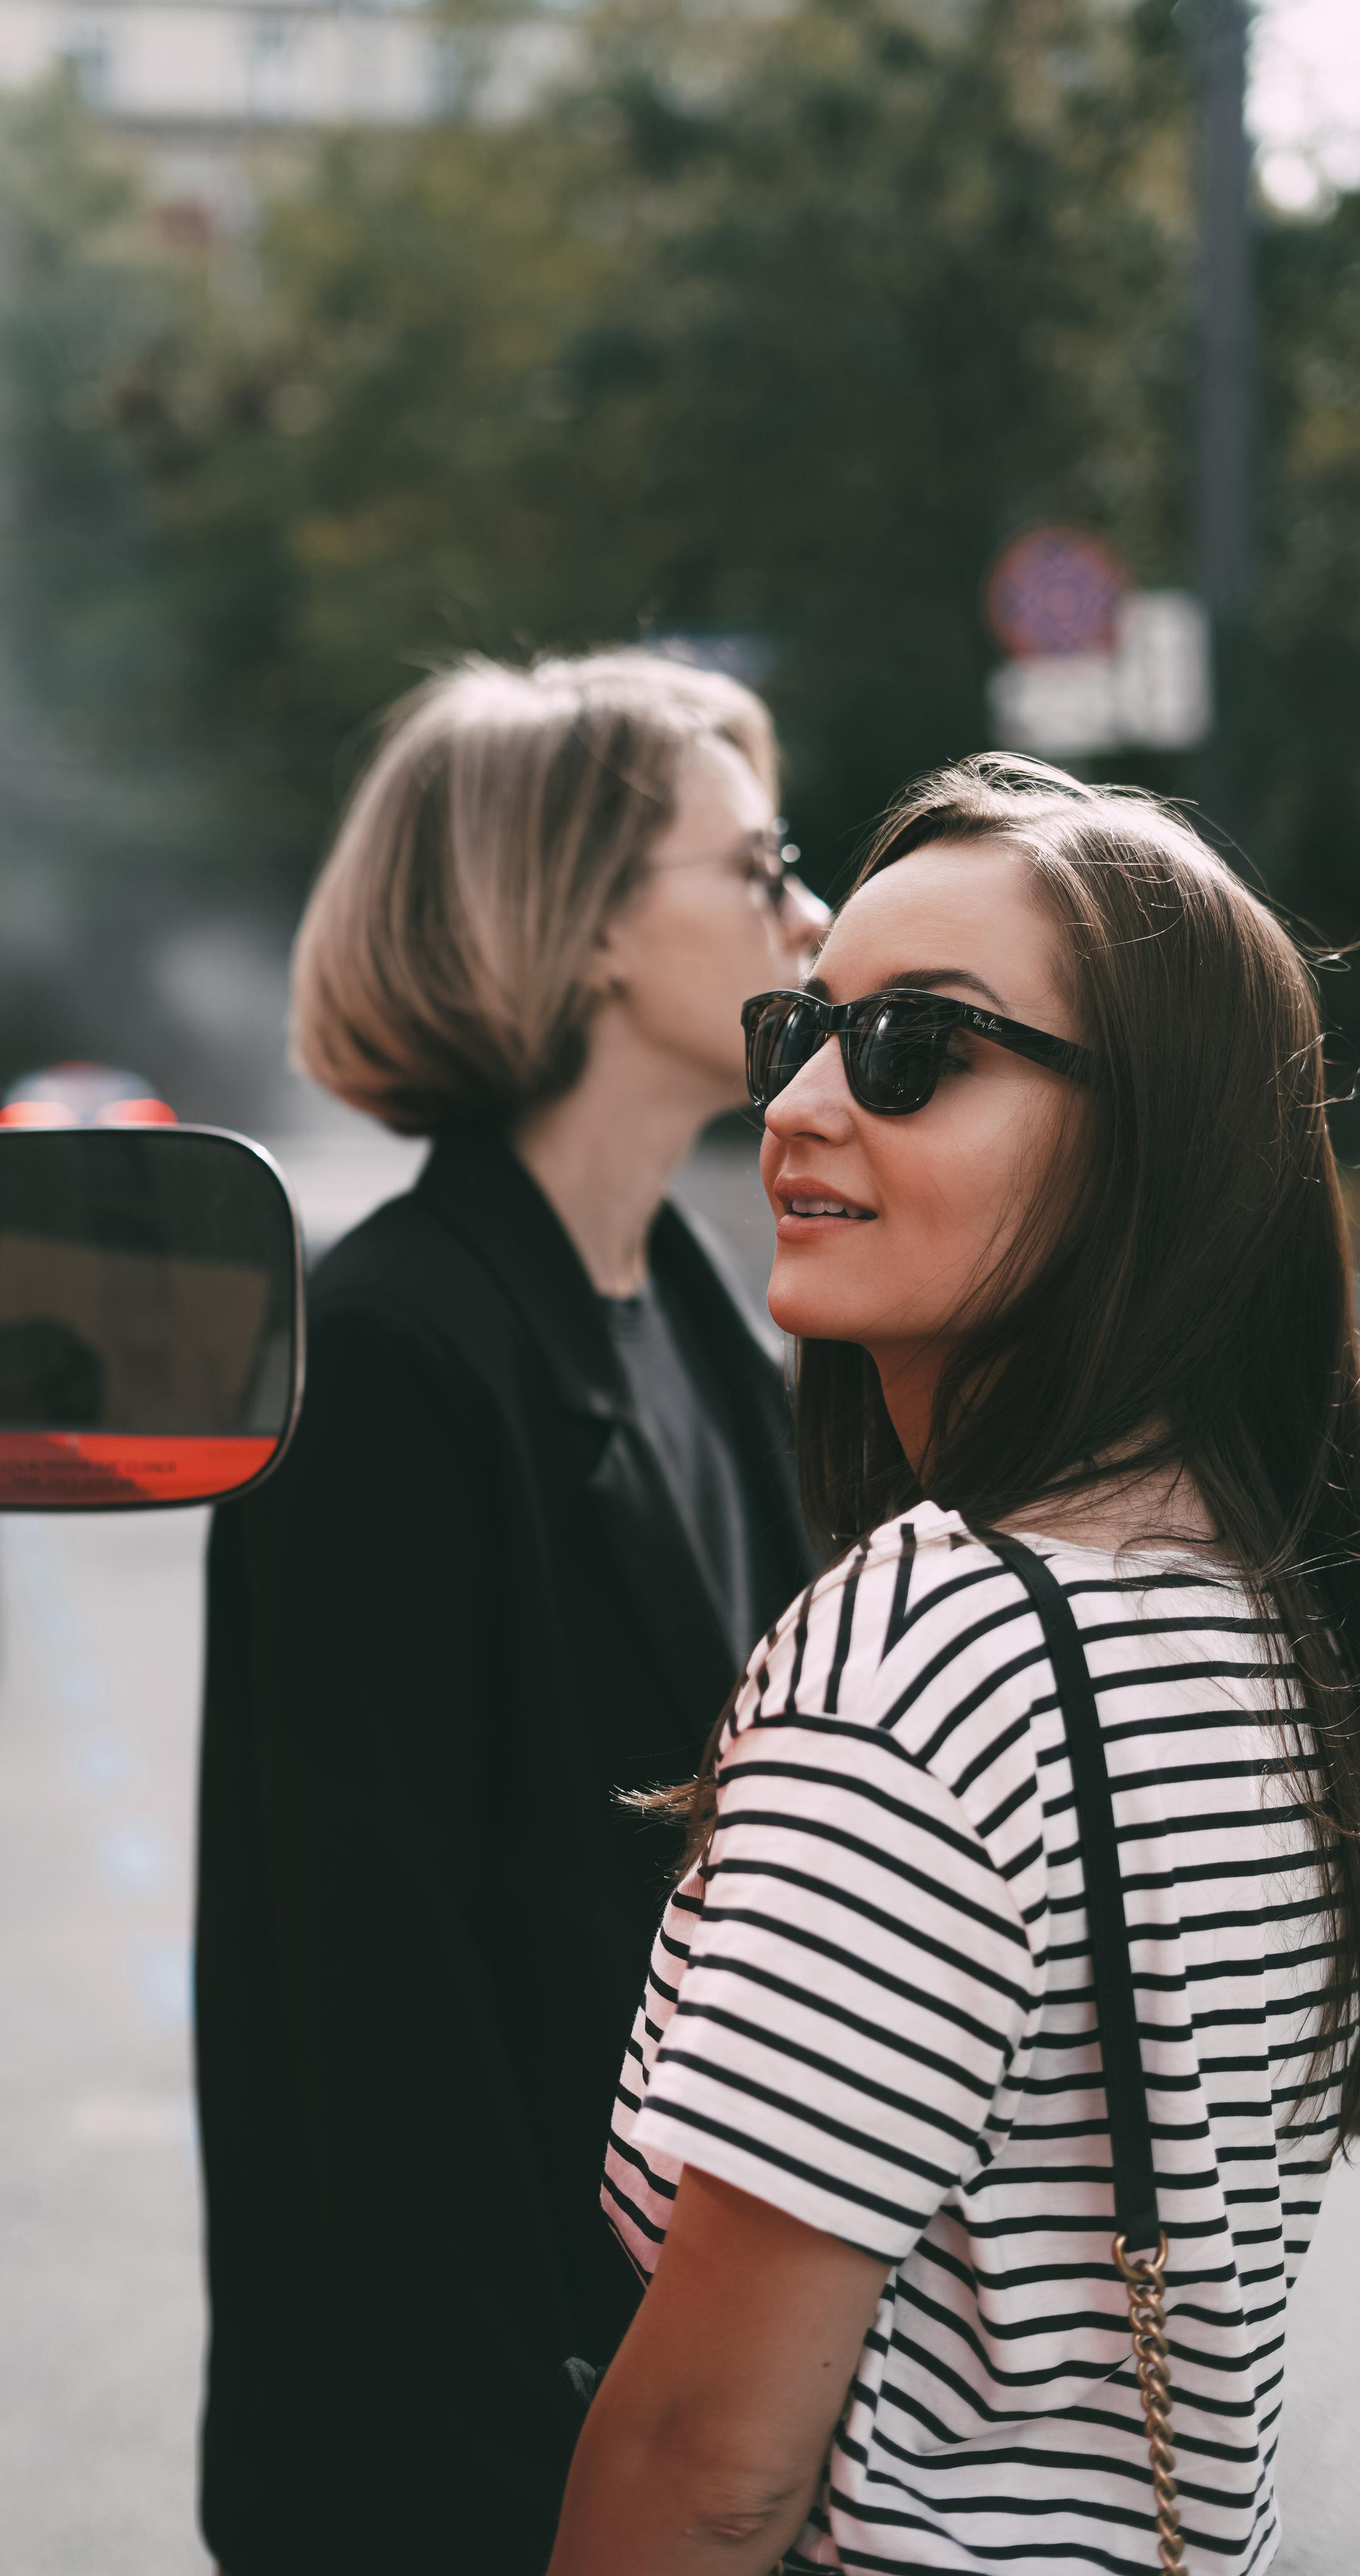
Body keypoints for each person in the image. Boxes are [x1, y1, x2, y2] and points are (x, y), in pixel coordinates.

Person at [550, 754, 1360, 2576]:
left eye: (915, 1047)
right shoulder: (1256, 1619)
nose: (800, 1105)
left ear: (1147, 1148)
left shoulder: (935, 1648)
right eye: (798, 1033)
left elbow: (712, 2461)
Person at [194, 649, 828, 2576]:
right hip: (486, 2462)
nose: (814, 920)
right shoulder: (390, 1356)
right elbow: (379, 2034)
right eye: (762, 866)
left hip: (677, 2401)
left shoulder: (700, 1309)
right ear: (585, 927)